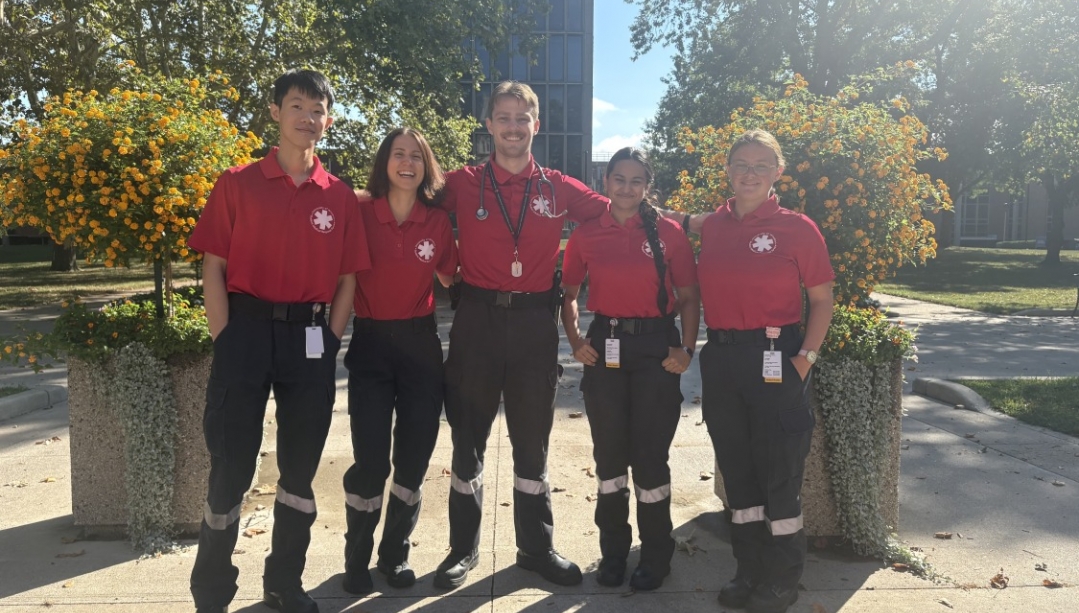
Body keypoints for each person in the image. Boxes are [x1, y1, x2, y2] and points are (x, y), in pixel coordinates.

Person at [187, 69, 369, 613]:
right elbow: (213, 267)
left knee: (299, 471)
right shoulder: (236, 183)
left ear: (328, 121)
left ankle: (284, 582)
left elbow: (348, 279)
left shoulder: (338, 196)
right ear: (275, 112)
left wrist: (330, 338)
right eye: (297, 106)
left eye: (317, 110)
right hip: (244, 332)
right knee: (231, 467)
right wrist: (226, 337)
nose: (307, 118)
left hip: (310, 340)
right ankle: (213, 589)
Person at [433, 81, 609, 589]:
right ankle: (460, 550)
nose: (513, 127)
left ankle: (536, 548)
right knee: (468, 438)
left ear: (537, 125)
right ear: (488, 125)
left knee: (532, 442)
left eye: (522, 117)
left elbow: (620, 208)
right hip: (477, 323)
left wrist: (691, 221)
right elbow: (405, 193)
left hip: (535, 324)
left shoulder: (557, 186)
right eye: (503, 117)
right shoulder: (462, 183)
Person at [696, 129, 834, 613]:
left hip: (779, 357)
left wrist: (806, 359)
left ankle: (783, 577)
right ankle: (748, 569)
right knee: (739, 474)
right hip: (723, 359)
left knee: (780, 473)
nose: (749, 173)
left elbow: (821, 300)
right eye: (740, 164)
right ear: (728, 170)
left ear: (778, 172)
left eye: (760, 165)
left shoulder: (798, 228)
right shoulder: (712, 224)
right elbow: (680, 222)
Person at [561, 147, 700, 591]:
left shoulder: (669, 233)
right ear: (606, 183)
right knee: (609, 457)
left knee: (650, 456)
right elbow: (568, 294)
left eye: (636, 181)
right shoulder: (586, 233)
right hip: (607, 347)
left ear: (647, 187)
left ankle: (656, 556)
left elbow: (690, 295)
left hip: (656, 346)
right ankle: (613, 554)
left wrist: (687, 349)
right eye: (619, 179)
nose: (627, 188)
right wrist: (577, 340)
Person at [340, 127, 458, 594]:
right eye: (398, 154)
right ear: (385, 162)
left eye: (416, 156)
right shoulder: (359, 211)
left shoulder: (437, 222)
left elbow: (452, 275)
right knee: (370, 462)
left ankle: (394, 555)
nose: (407, 163)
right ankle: (356, 556)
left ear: (427, 167)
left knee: (413, 458)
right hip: (370, 345)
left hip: (420, 347)